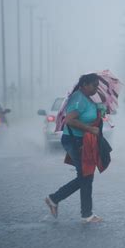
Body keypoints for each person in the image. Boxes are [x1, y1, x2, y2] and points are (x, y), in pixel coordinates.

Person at [45, 73, 103, 223]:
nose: (96, 88)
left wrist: (100, 110)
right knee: (86, 176)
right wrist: (90, 130)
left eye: (97, 85)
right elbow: (69, 120)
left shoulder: (87, 98)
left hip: (82, 141)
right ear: (84, 84)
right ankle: (58, 200)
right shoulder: (78, 99)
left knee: (86, 176)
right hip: (75, 141)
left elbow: (87, 117)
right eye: (94, 85)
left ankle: (84, 212)